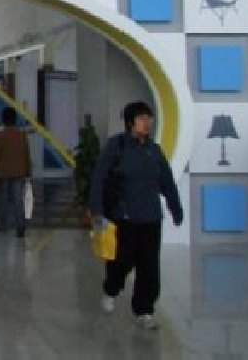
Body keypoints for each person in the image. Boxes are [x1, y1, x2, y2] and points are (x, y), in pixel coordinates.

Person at [89, 101, 183, 330]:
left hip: (151, 218)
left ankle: (144, 310)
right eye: (142, 119)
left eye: (149, 119)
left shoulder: (154, 151)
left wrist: (175, 207)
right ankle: (111, 289)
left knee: (149, 267)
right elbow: (99, 177)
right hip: (124, 217)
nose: (147, 123)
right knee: (121, 263)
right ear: (130, 122)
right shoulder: (117, 146)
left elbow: (167, 181)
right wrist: (97, 210)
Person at [0, 107, 32, 237]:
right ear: (15, 119)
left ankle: (2, 225)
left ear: (3, 120)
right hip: (19, 173)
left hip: (3, 174)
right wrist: (28, 173)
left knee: (3, 200)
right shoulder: (22, 136)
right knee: (18, 200)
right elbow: (26, 155)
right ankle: (20, 226)